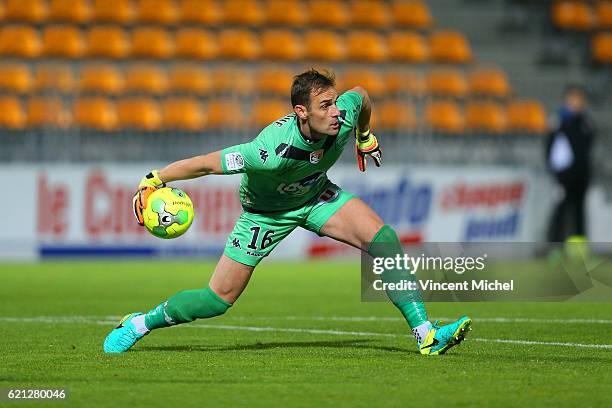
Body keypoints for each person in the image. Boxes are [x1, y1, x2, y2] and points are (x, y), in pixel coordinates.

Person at [103, 69, 471, 355]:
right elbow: (205, 165)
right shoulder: (268, 150)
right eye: (325, 105)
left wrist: (363, 136)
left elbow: (361, 95)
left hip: (314, 197)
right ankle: (139, 324)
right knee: (217, 300)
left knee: (384, 240)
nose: (335, 111)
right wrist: (154, 178)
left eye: (334, 102)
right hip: (264, 214)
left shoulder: (345, 114)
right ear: (301, 112)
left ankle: (426, 335)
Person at [546, 84, 595, 243]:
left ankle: (578, 246)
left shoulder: (586, 121)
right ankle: (554, 245)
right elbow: (550, 147)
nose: (576, 102)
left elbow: (588, 145)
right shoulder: (558, 121)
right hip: (563, 176)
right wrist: (555, 172)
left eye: (579, 98)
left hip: (581, 174)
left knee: (579, 209)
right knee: (561, 209)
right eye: (572, 98)